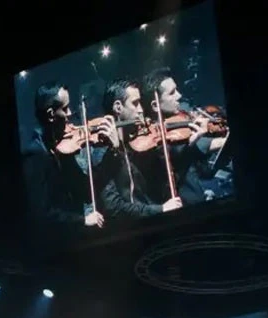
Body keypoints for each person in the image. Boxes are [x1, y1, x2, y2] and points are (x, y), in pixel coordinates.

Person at [21, 82, 118, 230]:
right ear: (51, 115)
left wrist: (112, 152)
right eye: (65, 109)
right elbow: (42, 212)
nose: (69, 114)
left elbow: (85, 190)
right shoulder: (36, 155)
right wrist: (82, 220)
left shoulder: (62, 148)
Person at [141, 67, 229, 205]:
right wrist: (224, 140)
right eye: (172, 93)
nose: (179, 95)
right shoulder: (155, 141)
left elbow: (202, 171)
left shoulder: (182, 120)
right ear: (155, 105)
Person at [98, 79, 183, 220]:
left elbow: (163, 186)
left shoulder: (138, 145)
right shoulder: (101, 152)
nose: (141, 110)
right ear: (118, 107)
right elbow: (113, 206)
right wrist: (160, 209)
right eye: (135, 103)